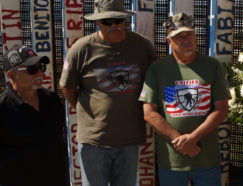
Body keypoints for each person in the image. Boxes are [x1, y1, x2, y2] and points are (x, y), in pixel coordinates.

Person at [59, 0, 155, 185]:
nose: (113, 25)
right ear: (97, 22)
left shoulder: (142, 46)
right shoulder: (81, 49)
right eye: (107, 21)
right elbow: (68, 88)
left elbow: (152, 85)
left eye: (118, 20)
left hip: (129, 140)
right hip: (94, 142)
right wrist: (90, 112)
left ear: (125, 20)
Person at [139, 13, 229, 186]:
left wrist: (193, 138)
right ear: (169, 41)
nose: (186, 40)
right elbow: (149, 113)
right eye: (179, 37)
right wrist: (179, 140)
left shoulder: (213, 66)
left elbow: (221, 109)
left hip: (206, 160)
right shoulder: (157, 69)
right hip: (171, 163)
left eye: (189, 34)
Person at [0, 45, 68, 185]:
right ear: (11, 75)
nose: (39, 73)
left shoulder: (52, 100)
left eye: (41, 67)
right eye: (31, 69)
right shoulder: (3, 108)